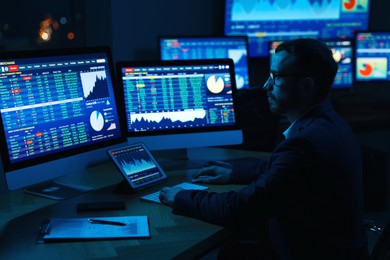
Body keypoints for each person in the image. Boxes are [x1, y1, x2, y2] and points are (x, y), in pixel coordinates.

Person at [159, 38, 369, 259]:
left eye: (276, 77)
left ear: (306, 85)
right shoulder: (329, 123)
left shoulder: (305, 144)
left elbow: (239, 208)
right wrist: (233, 173)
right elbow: (285, 172)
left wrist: (182, 197)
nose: (266, 86)